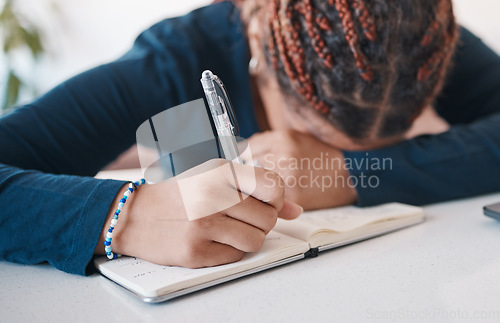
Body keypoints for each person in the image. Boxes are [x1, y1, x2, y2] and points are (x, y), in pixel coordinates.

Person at [0, 0, 499, 275]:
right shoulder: (171, 63)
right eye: (317, 134)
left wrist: (349, 172)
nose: (362, 152)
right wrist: (124, 217)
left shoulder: (408, 34)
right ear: (259, 38)